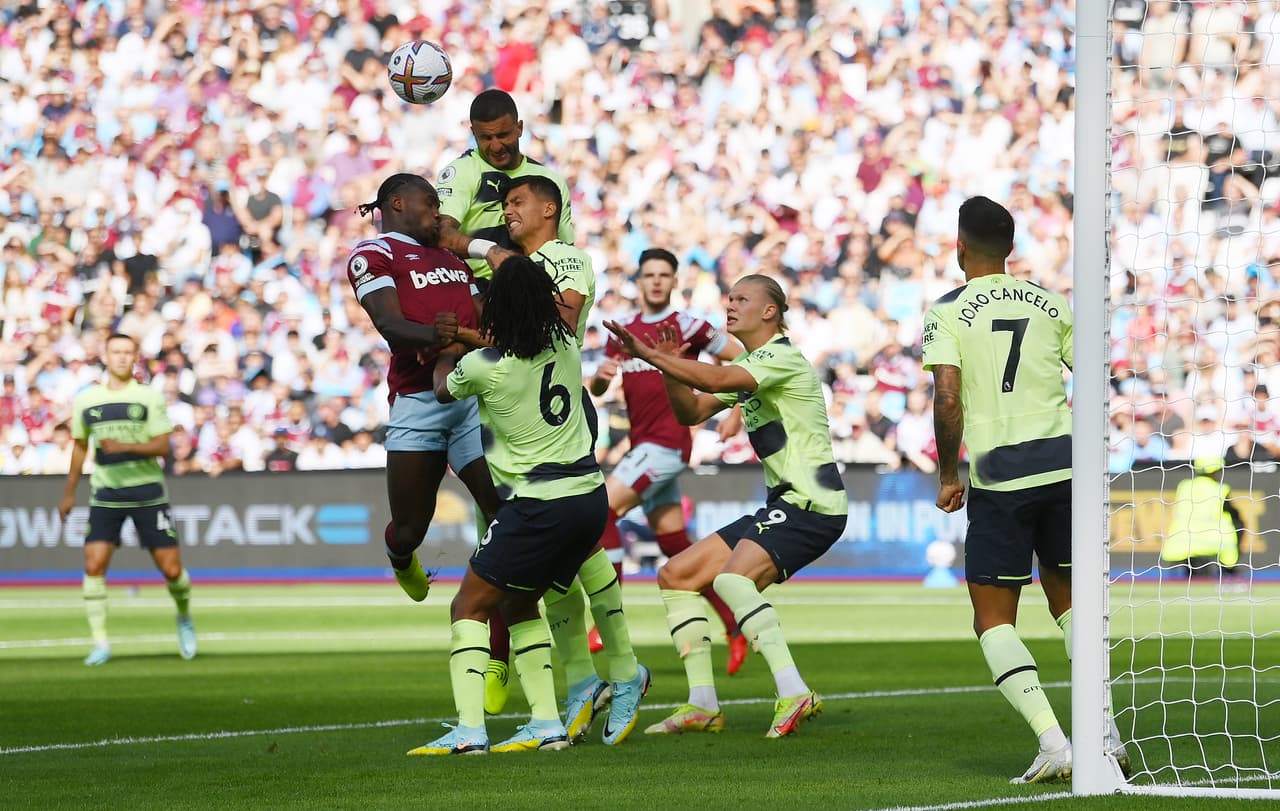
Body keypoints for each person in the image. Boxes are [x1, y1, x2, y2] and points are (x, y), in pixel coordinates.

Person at [922, 196, 1128, 783]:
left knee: (993, 620)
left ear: (960, 245)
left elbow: (947, 397)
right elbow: (1095, 377)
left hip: (1001, 474)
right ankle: (1106, 736)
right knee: (1070, 606)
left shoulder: (947, 311)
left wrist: (947, 474)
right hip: (1064, 467)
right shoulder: (1050, 302)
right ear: (1010, 250)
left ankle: (1054, 741)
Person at [411, 256, 649, 755]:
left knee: (468, 605)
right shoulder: (565, 344)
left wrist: (445, 350)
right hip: (588, 497)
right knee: (519, 600)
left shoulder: (481, 368)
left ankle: (469, 731)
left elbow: (440, 389)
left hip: (539, 502)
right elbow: (514, 343)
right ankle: (545, 723)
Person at [605, 274, 848, 739]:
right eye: (729, 297)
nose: (730, 305)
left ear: (769, 312)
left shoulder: (779, 357)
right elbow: (690, 412)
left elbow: (717, 377)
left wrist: (653, 354)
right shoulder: (757, 364)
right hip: (784, 502)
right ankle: (702, 704)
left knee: (732, 579)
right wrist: (672, 364)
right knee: (676, 575)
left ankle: (795, 691)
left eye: (742, 299)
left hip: (812, 504)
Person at [478, 175, 649, 746]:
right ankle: (584, 680)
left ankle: (625, 670)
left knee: (573, 542)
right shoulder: (507, 263)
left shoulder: (564, 257)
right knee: (555, 565)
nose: (509, 211)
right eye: (504, 204)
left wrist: (493, 263)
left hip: (561, 421)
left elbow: (564, 318)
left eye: (518, 202)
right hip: (517, 423)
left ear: (550, 208)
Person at [588, 247, 750, 675]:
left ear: (674, 281)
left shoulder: (687, 325)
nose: (657, 281)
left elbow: (746, 362)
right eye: (649, 275)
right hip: (645, 445)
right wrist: (601, 382)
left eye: (664, 275)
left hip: (667, 445)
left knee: (599, 513)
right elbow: (601, 388)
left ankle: (608, 622)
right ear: (638, 281)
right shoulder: (621, 333)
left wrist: (736, 411)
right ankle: (734, 628)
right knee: (675, 549)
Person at [347, 173, 502, 601]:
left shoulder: (450, 258)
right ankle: (401, 557)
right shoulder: (374, 253)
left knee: (500, 505)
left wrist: (457, 340)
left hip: (472, 397)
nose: (438, 212)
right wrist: (434, 336)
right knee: (411, 527)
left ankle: (501, 610)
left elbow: (484, 319)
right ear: (397, 203)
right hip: (418, 401)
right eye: (430, 203)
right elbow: (390, 326)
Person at [57, 333, 195, 666]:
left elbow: (163, 446)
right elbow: (79, 445)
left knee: (172, 570)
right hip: (106, 492)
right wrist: (69, 492)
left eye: (127, 352)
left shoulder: (148, 397)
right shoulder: (86, 400)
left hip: (147, 491)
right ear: (104, 355)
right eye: (115, 352)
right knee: (93, 565)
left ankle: (184, 616)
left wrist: (125, 447)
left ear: (135, 358)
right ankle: (101, 642)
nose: (121, 357)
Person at [434, 88, 574, 281]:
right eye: (486, 138)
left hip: (532, 292)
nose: (496, 146)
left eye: (503, 135)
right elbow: (439, 233)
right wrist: (489, 251)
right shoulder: (461, 172)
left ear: (519, 128)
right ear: (473, 133)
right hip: (474, 291)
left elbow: (564, 249)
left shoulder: (550, 180)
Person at [1162, 456, 1244, 578]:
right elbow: (1236, 518)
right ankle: (1228, 571)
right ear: (1215, 471)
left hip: (1183, 545)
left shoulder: (1184, 486)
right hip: (1213, 545)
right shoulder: (1220, 489)